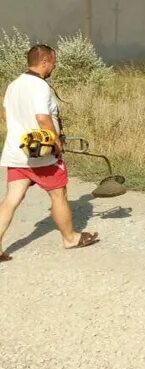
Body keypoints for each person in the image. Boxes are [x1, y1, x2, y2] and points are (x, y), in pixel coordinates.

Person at [0, 43, 99, 262]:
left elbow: (5, 115)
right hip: (42, 156)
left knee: (12, 198)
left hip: (17, 154)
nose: (53, 66)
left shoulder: (14, 85)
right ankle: (70, 238)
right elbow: (42, 118)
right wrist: (55, 142)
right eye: (53, 62)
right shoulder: (39, 86)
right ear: (44, 61)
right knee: (59, 194)